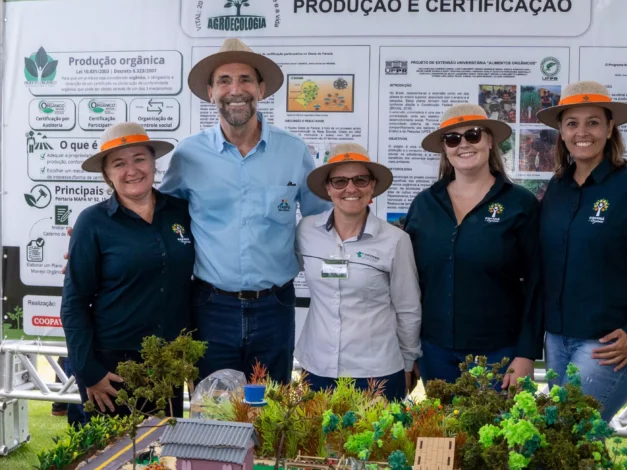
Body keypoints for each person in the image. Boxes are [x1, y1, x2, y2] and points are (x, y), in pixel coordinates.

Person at [159, 38, 330, 384]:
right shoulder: (188, 156)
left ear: (261, 88)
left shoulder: (293, 152)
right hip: (210, 307)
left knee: (271, 413)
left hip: (275, 306)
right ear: (210, 92)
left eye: (245, 79)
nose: (235, 89)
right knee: (213, 410)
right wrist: (108, 232)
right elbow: (159, 217)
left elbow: (322, 222)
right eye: (224, 80)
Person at [536, 81, 627, 422]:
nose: (582, 132)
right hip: (557, 340)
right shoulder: (556, 189)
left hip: (608, 344)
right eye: (572, 123)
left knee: (570, 435)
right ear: (561, 131)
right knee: (567, 445)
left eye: (593, 121)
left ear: (609, 128)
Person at [404, 103, 544, 388]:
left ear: (490, 140)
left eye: (474, 135)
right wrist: (410, 351)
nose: (463, 144)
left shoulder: (520, 204)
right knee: (441, 433)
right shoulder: (423, 205)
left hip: (499, 354)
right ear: (445, 148)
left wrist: (526, 354)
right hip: (435, 350)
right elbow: (409, 283)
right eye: (453, 139)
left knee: (493, 433)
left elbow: (537, 284)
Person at [61, 122, 194, 417]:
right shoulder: (92, 222)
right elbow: (74, 303)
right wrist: (88, 371)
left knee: (161, 456)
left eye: (139, 159)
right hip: (111, 367)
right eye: (119, 163)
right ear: (107, 174)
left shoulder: (182, 212)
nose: (131, 170)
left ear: (153, 162)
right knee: (110, 458)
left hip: (167, 362)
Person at [294, 143, 422, 401]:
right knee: (316, 442)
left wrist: (408, 363)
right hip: (317, 367)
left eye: (360, 180)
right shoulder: (306, 231)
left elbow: (408, 309)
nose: (350, 189)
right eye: (339, 181)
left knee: (378, 442)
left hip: (376, 372)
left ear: (372, 186)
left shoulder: (395, 240)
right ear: (328, 189)